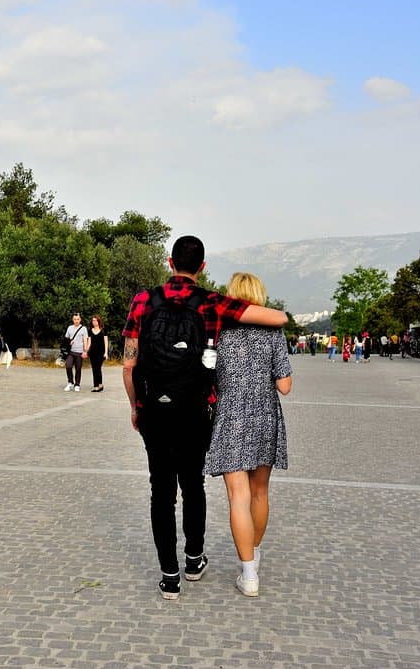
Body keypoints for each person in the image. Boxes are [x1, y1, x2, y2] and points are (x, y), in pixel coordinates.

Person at [122, 236, 288, 600]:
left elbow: (128, 364)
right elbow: (278, 317)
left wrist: (136, 407)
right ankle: (194, 560)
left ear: (169, 262)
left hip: (154, 410)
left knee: (161, 493)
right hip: (195, 410)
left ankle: (170, 577)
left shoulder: (143, 300)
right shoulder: (213, 302)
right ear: (202, 267)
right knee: (192, 485)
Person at [203, 273, 292, 598]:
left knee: (237, 497)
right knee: (259, 492)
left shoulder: (218, 330)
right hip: (265, 415)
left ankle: (249, 574)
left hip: (229, 416)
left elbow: (207, 374)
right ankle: (254, 552)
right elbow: (285, 385)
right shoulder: (273, 332)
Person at [63, 313, 89, 392]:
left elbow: (85, 340)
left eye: (78, 319)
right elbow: (65, 339)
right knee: (68, 366)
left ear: (80, 320)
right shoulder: (69, 328)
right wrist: (69, 342)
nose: (76, 321)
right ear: (72, 320)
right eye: (75, 319)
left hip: (79, 352)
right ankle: (70, 382)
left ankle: (77, 384)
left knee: (78, 368)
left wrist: (85, 351)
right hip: (70, 352)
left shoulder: (83, 328)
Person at [88, 315, 109, 392]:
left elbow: (106, 342)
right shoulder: (90, 331)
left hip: (101, 352)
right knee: (94, 369)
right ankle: (96, 386)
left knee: (98, 368)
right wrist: (86, 350)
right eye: (93, 321)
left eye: (95, 320)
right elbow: (89, 342)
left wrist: (106, 353)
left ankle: (99, 384)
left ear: (98, 321)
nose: (94, 322)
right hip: (92, 352)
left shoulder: (103, 330)